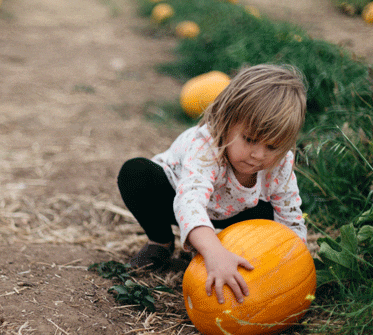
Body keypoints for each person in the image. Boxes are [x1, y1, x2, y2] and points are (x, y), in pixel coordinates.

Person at [117, 64, 307, 305]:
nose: (259, 155)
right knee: (135, 173)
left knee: (271, 217)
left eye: (272, 147)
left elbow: (291, 219)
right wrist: (214, 253)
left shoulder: (280, 163)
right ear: (226, 122)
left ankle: (233, 252)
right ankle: (160, 242)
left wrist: (293, 266)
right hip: (174, 198)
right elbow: (189, 202)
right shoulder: (207, 148)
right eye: (249, 139)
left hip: (233, 210)